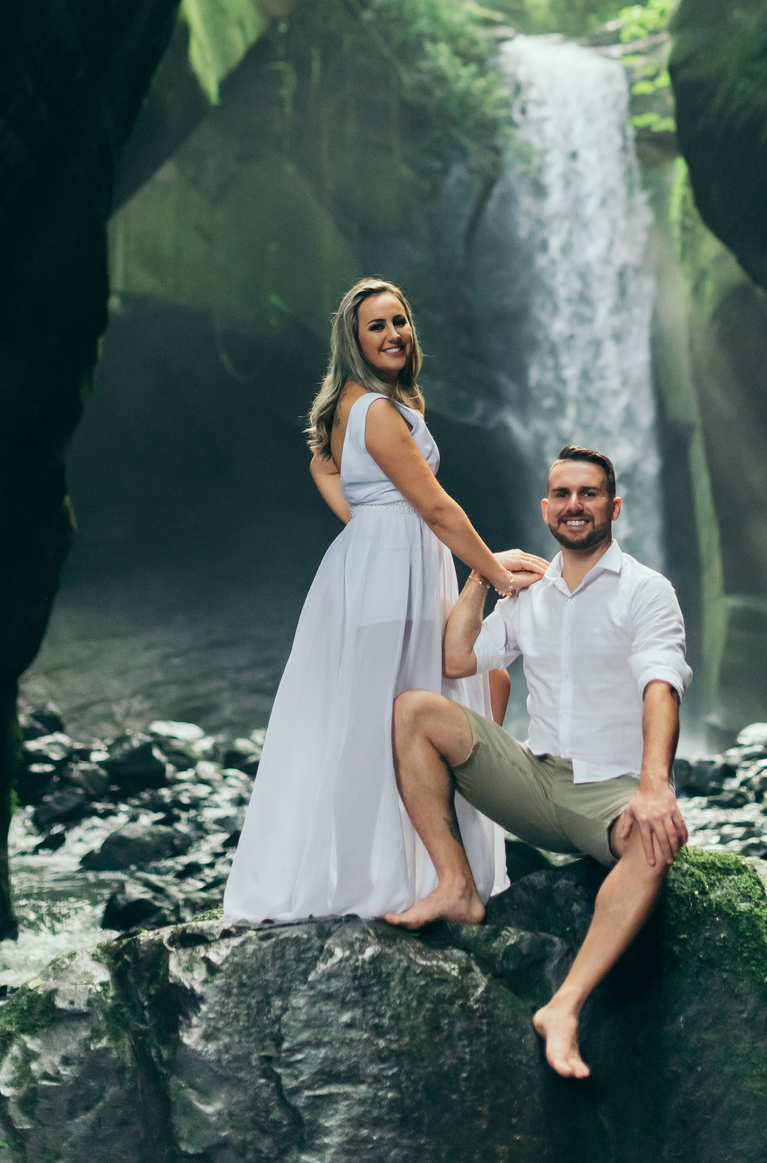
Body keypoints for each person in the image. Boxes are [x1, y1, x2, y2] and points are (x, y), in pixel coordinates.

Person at [223, 277, 545, 924]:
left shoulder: (364, 405)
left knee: (411, 709)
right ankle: (358, 884)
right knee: (374, 723)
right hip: (390, 577)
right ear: (354, 339)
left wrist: (366, 522)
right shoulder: (372, 409)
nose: (394, 333)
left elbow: (323, 464)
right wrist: (497, 575)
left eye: (400, 321)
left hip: (386, 567)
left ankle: (419, 872)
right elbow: (437, 507)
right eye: (377, 325)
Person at [385, 444, 692, 1080]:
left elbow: (661, 685)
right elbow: (457, 659)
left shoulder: (646, 590)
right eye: (563, 495)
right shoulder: (529, 596)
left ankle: (564, 1007)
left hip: (607, 793)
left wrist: (655, 787)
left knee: (654, 844)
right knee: (415, 711)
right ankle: (456, 886)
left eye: (589, 494)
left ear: (613, 507)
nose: (575, 505)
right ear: (546, 508)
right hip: (533, 777)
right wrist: (483, 575)